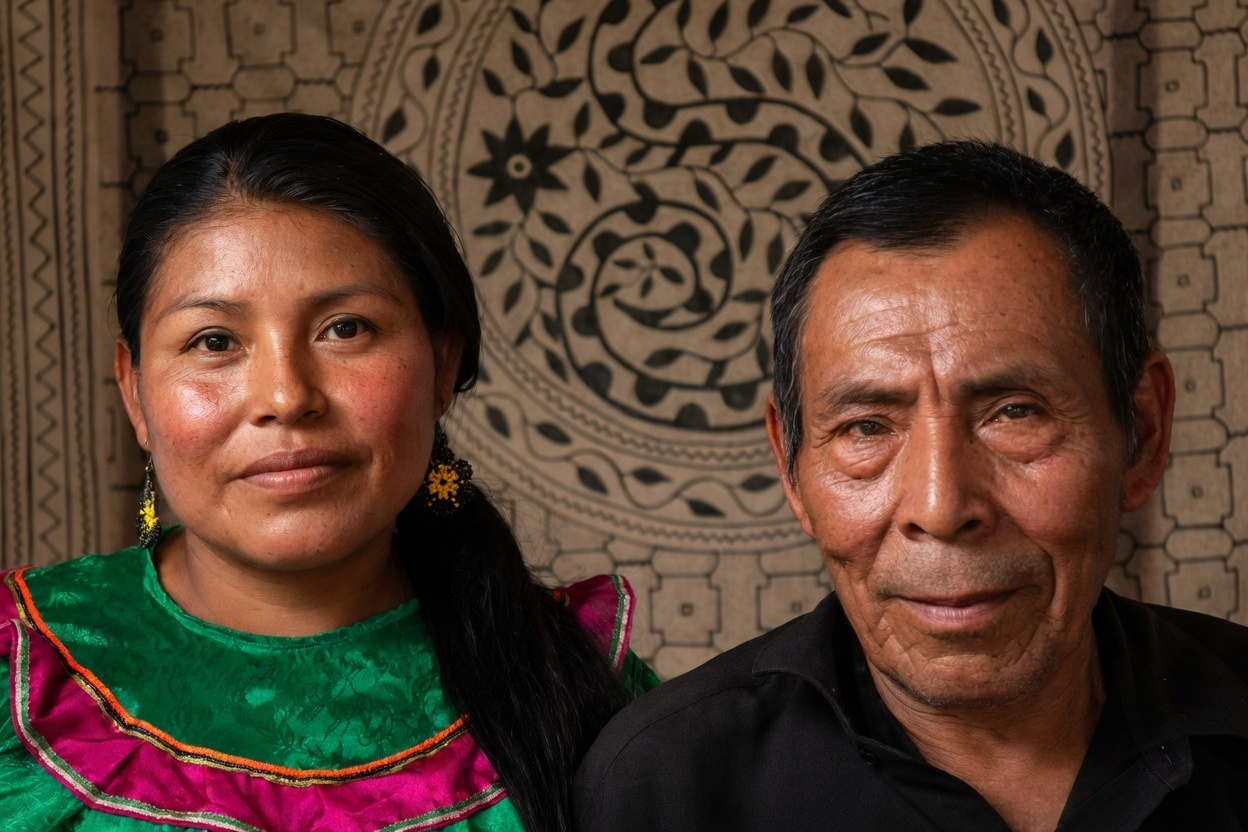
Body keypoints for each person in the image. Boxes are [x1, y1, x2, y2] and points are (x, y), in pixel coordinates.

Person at [0, 113, 656, 832]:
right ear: (134, 391)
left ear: (442, 365)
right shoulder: (20, 673)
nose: (286, 397)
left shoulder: (582, 690)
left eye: (345, 328)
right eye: (214, 342)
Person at [574, 141, 1248, 831]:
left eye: (1015, 413)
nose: (941, 507)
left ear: (1142, 432)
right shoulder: (669, 786)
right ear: (791, 466)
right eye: (867, 427)